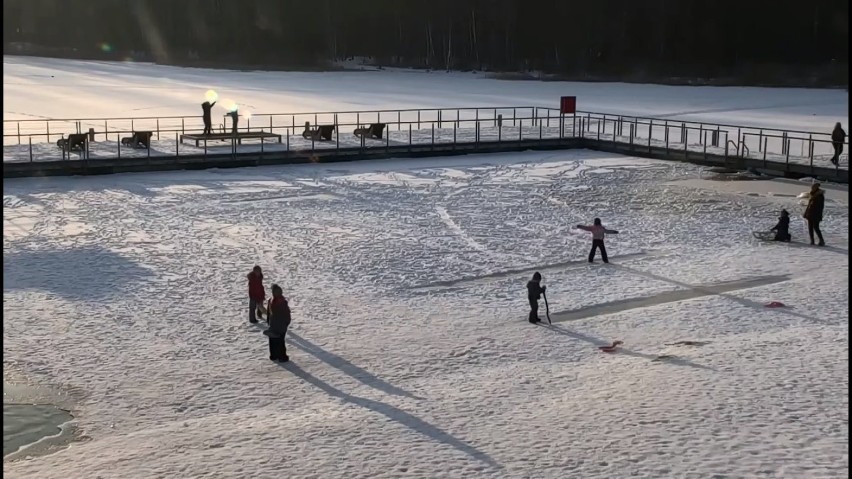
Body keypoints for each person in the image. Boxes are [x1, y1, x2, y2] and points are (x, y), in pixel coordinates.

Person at [265, 284, 291, 362]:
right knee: (280, 340)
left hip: (273, 323)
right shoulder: (282, 301)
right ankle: (282, 357)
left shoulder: (271, 300)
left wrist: (269, 321)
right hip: (281, 324)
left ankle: (273, 355)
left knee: (272, 339)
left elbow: (268, 312)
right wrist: (287, 322)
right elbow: (287, 313)